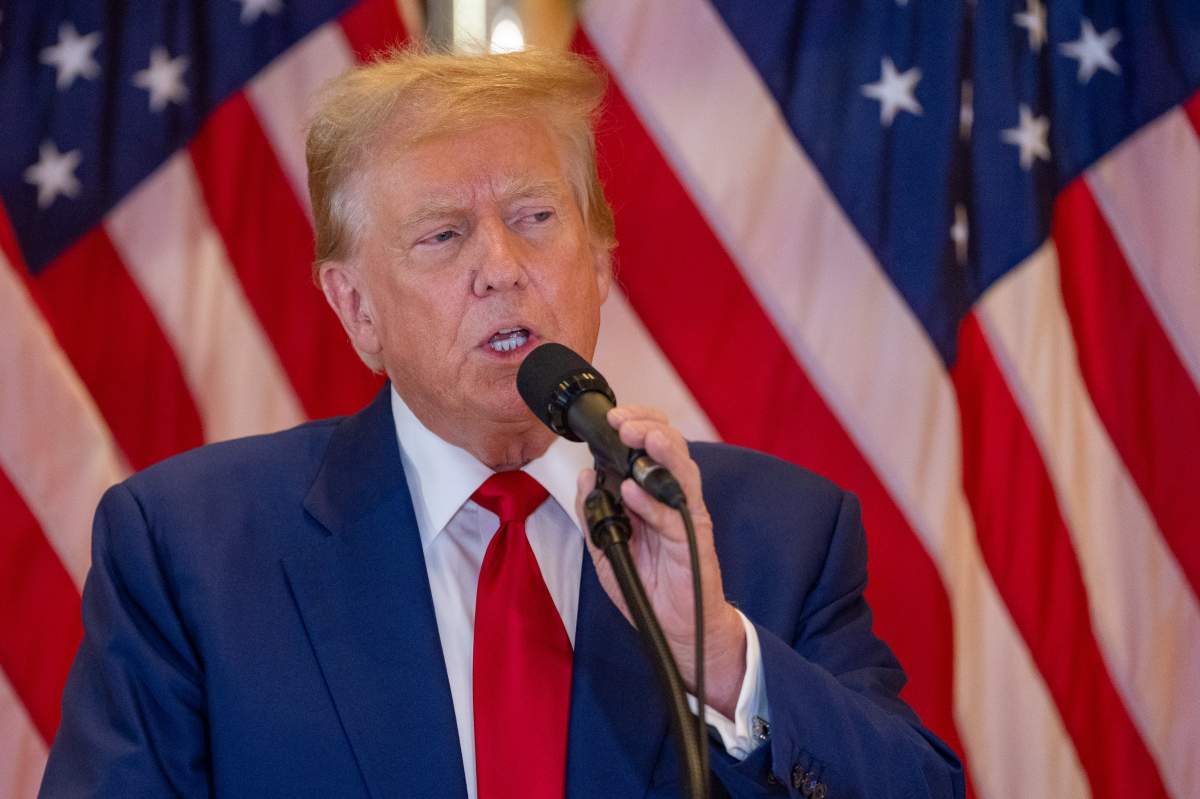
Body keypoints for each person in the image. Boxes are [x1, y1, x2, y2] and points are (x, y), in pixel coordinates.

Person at [40, 47, 963, 798]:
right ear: (356, 308)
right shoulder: (192, 551)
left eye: (535, 216)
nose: (502, 266)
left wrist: (718, 655)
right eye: (444, 234)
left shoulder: (778, 531)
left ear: (598, 266)